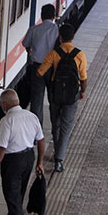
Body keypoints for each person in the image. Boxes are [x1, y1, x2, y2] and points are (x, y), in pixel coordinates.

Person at [0, 90, 45, 215]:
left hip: (12, 163)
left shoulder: (6, 121)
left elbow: (1, 149)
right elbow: (41, 141)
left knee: (13, 201)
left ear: (5, 105)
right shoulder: (31, 116)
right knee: (17, 198)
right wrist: (40, 162)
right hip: (28, 158)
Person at [37, 23, 87, 173]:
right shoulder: (79, 54)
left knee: (56, 125)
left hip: (55, 95)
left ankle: (57, 152)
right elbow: (83, 78)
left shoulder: (53, 53)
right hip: (72, 96)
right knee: (66, 127)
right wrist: (82, 91)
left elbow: (40, 72)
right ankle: (59, 160)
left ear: (60, 37)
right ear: (72, 37)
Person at [22, 4, 59, 126]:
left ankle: (36, 133)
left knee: (36, 102)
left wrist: (30, 49)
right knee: (54, 101)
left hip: (37, 68)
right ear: (53, 16)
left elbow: (25, 43)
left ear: (41, 16)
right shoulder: (57, 29)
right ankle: (55, 128)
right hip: (53, 69)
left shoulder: (34, 29)